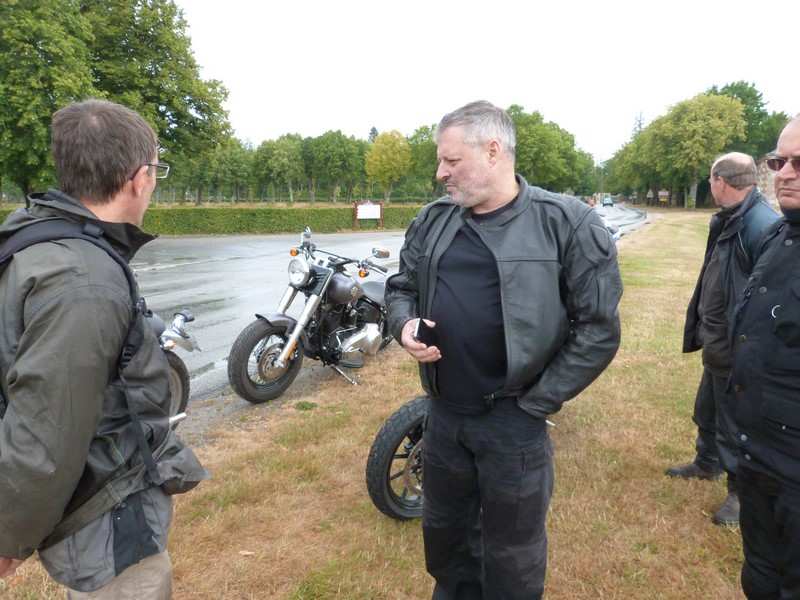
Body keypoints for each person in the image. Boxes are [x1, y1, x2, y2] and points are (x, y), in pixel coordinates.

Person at [385, 100, 623, 600]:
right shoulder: (433, 221)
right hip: (444, 417)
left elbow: (598, 329)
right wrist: (404, 323)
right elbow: (401, 284)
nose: (440, 173)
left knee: (513, 556)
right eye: (441, 160)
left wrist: (535, 403)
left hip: (514, 422)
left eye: (451, 161)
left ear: (493, 151)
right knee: (446, 537)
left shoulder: (568, 224)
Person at [0, 100, 209, 598]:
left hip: (94, 500)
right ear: (140, 178)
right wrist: (8, 534)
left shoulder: (41, 240)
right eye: (156, 171)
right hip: (107, 518)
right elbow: (47, 425)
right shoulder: (84, 279)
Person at [667, 152, 779, 526]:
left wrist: (740, 342)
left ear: (720, 181)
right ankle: (707, 461)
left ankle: (740, 495)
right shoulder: (734, 217)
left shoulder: (760, 224)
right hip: (718, 341)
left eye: (711, 180)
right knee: (709, 408)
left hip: (736, 345)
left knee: (737, 422)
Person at [729, 114, 800, 598]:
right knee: (760, 578)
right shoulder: (778, 236)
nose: (784, 173)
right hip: (756, 460)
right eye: (779, 160)